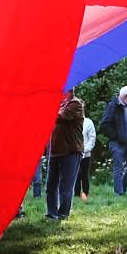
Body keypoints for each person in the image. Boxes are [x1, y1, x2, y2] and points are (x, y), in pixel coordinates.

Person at [45, 90, 85, 220]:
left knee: (65, 186)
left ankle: (63, 213)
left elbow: (59, 117)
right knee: (51, 185)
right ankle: (51, 213)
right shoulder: (61, 105)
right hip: (55, 151)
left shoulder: (76, 104)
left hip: (71, 151)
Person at [99, 85, 127, 195]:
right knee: (118, 168)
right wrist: (116, 136)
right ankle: (119, 193)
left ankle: (122, 187)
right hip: (117, 143)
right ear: (126, 96)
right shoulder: (113, 106)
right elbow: (104, 125)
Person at [74, 112, 96, 200]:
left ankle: (85, 193)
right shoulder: (72, 122)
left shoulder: (88, 122)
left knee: (84, 175)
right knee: (76, 174)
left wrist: (86, 149)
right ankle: (76, 194)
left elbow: (92, 137)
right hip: (74, 153)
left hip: (85, 154)